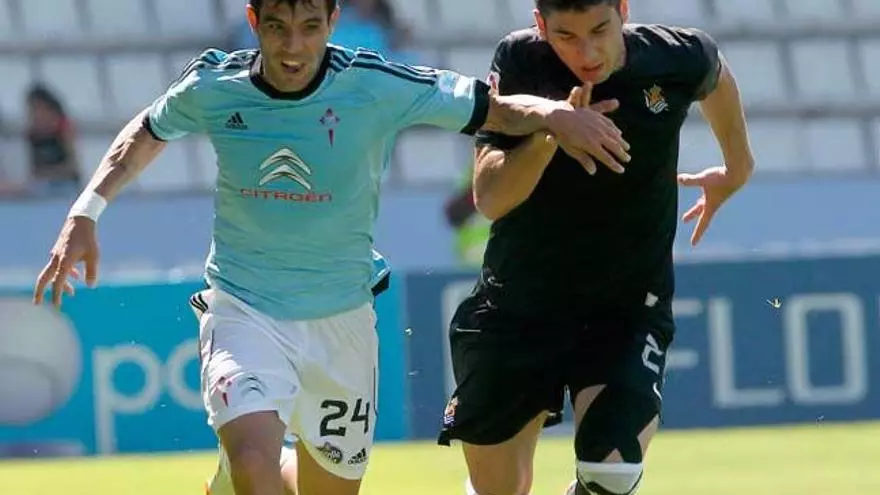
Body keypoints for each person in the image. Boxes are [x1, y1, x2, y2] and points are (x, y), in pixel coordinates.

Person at [31, 1, 628, 494]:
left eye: (310, 27)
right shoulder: (214, 85)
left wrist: (555, 115)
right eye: (277, 27)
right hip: (243, 308)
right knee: (255, 466)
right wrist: (86, 210)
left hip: (342, 322)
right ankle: (245, 467)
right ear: (253, 20)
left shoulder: (375, 85)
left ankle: (243, 473)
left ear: (333, 21)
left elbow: (492, 108)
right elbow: (146, 130)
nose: (293, 47)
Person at [436, 1, 755, 494]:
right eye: (566, 36)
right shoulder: (522, 61)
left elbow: (714, 72)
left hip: (626, 309)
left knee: (611, 475)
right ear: (540, 26)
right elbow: (491, 198)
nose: (586, 53)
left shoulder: (675, 55)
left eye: (599, 30)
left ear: (623, 10)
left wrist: (737, 167)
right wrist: (552, 130)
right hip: (519, 305)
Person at [199, 249, 391, 495]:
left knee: (320, 473)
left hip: (342, 299)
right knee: (252, 460)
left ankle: (257, 465)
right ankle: (243, 460)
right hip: (247, 293)